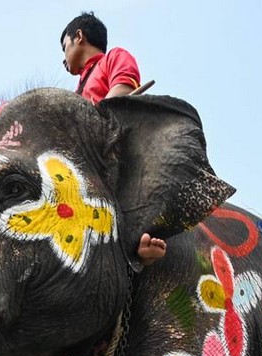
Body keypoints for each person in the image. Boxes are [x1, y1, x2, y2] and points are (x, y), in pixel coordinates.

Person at [59, 12, 166, 267]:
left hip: (111, 148)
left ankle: (140, 242)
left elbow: (122, 94)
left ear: (79, 37)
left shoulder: (113, 58)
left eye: (65, 47)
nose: (63, 59)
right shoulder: (77, 89)